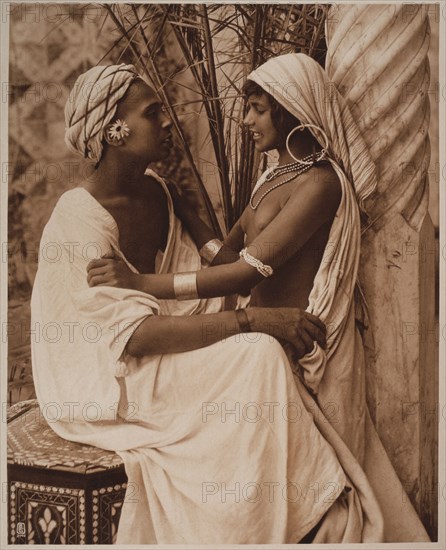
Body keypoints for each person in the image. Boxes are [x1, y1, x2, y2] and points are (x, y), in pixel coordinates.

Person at [86, 54, 430, 542]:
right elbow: (222, 260)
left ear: (290, 110)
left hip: (296, 346)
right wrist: (188, 212)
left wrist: (140, 284)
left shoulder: (321, 183)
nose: (246, 121)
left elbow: (244, 272)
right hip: (255, 332)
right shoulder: (273, 178)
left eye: (256, 109)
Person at [30, 63, 363, 545]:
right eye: (152, 113)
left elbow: (221, 272)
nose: (168, 122)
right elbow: (135, 336)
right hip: (112, 379)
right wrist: (253, 321)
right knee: (258, 352)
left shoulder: (162, 193)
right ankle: (273, 522)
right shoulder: (76, 219)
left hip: (165, 353)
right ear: (114, 132)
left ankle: (284, 513)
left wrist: (193, 221)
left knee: (257, 353)